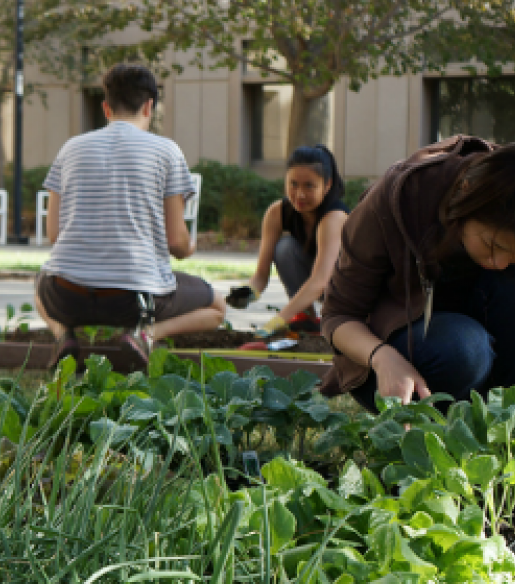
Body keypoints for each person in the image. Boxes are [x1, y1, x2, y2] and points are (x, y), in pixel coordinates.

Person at [320, 136, 515, 411]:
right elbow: (338, 315)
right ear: (466, 194)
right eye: (493, 245)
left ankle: (511, 421)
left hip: (496, 378)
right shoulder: (404, 197)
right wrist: (383, 358)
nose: (500, 262)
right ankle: (432, 429)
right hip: (400, 370)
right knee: (465, 347)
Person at [35, 63, 227, 368]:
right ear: (149, 106)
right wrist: (191, 246)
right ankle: (144, 335)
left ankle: (64, 336)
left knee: (41, 280)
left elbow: (55, 236)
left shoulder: (70, 149)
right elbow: (177, 243)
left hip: (65, 296)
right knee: (217, 305)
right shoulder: (166, 151)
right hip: (132, 302)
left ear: (106, 107)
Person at [225, 145, 349, 338]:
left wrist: (276, 321)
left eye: (309, 186)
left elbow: (320, 281)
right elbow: (261, 276)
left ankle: (340, 322)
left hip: (345, 289)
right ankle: (305, 317)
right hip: (317, 283)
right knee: (285, 248)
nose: (299, 194)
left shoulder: (334, 217)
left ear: (327, 185)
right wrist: (248, 292)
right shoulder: (277, 212)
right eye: (293, 184)